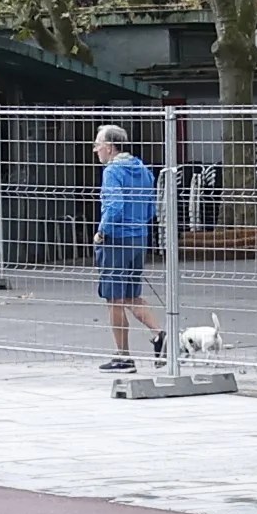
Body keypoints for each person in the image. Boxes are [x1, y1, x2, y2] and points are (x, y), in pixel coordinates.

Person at [92, 125, 165, 378]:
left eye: (98, 144)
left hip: (117, 239)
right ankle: (160, 336)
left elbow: (114, 205)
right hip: (138, 238)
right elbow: (149, 206)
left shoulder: (113, 171)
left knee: (114, 299)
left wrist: (102, 232)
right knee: (131, 294)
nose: (95, 149)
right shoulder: (143, 170)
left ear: (110, 147)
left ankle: (123, 357)